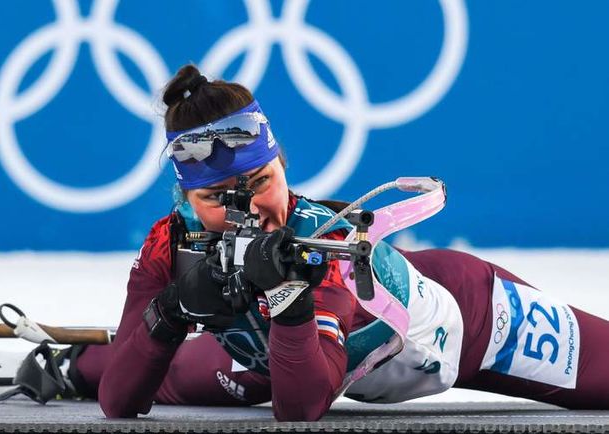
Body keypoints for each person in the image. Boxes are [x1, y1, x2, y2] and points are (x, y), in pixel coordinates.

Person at [68, 64, 609, 421]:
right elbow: (120, 401)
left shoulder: (324, 244)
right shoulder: (170, 241)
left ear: (282, 164)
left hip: (467, 324)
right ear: (185, 198)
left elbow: (302, 408)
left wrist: (289, 300)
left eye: (261, 183)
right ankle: (65, 363)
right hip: (277, 359)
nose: (251, 210)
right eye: (218, 198)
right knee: (160, 369)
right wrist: (169, 310)